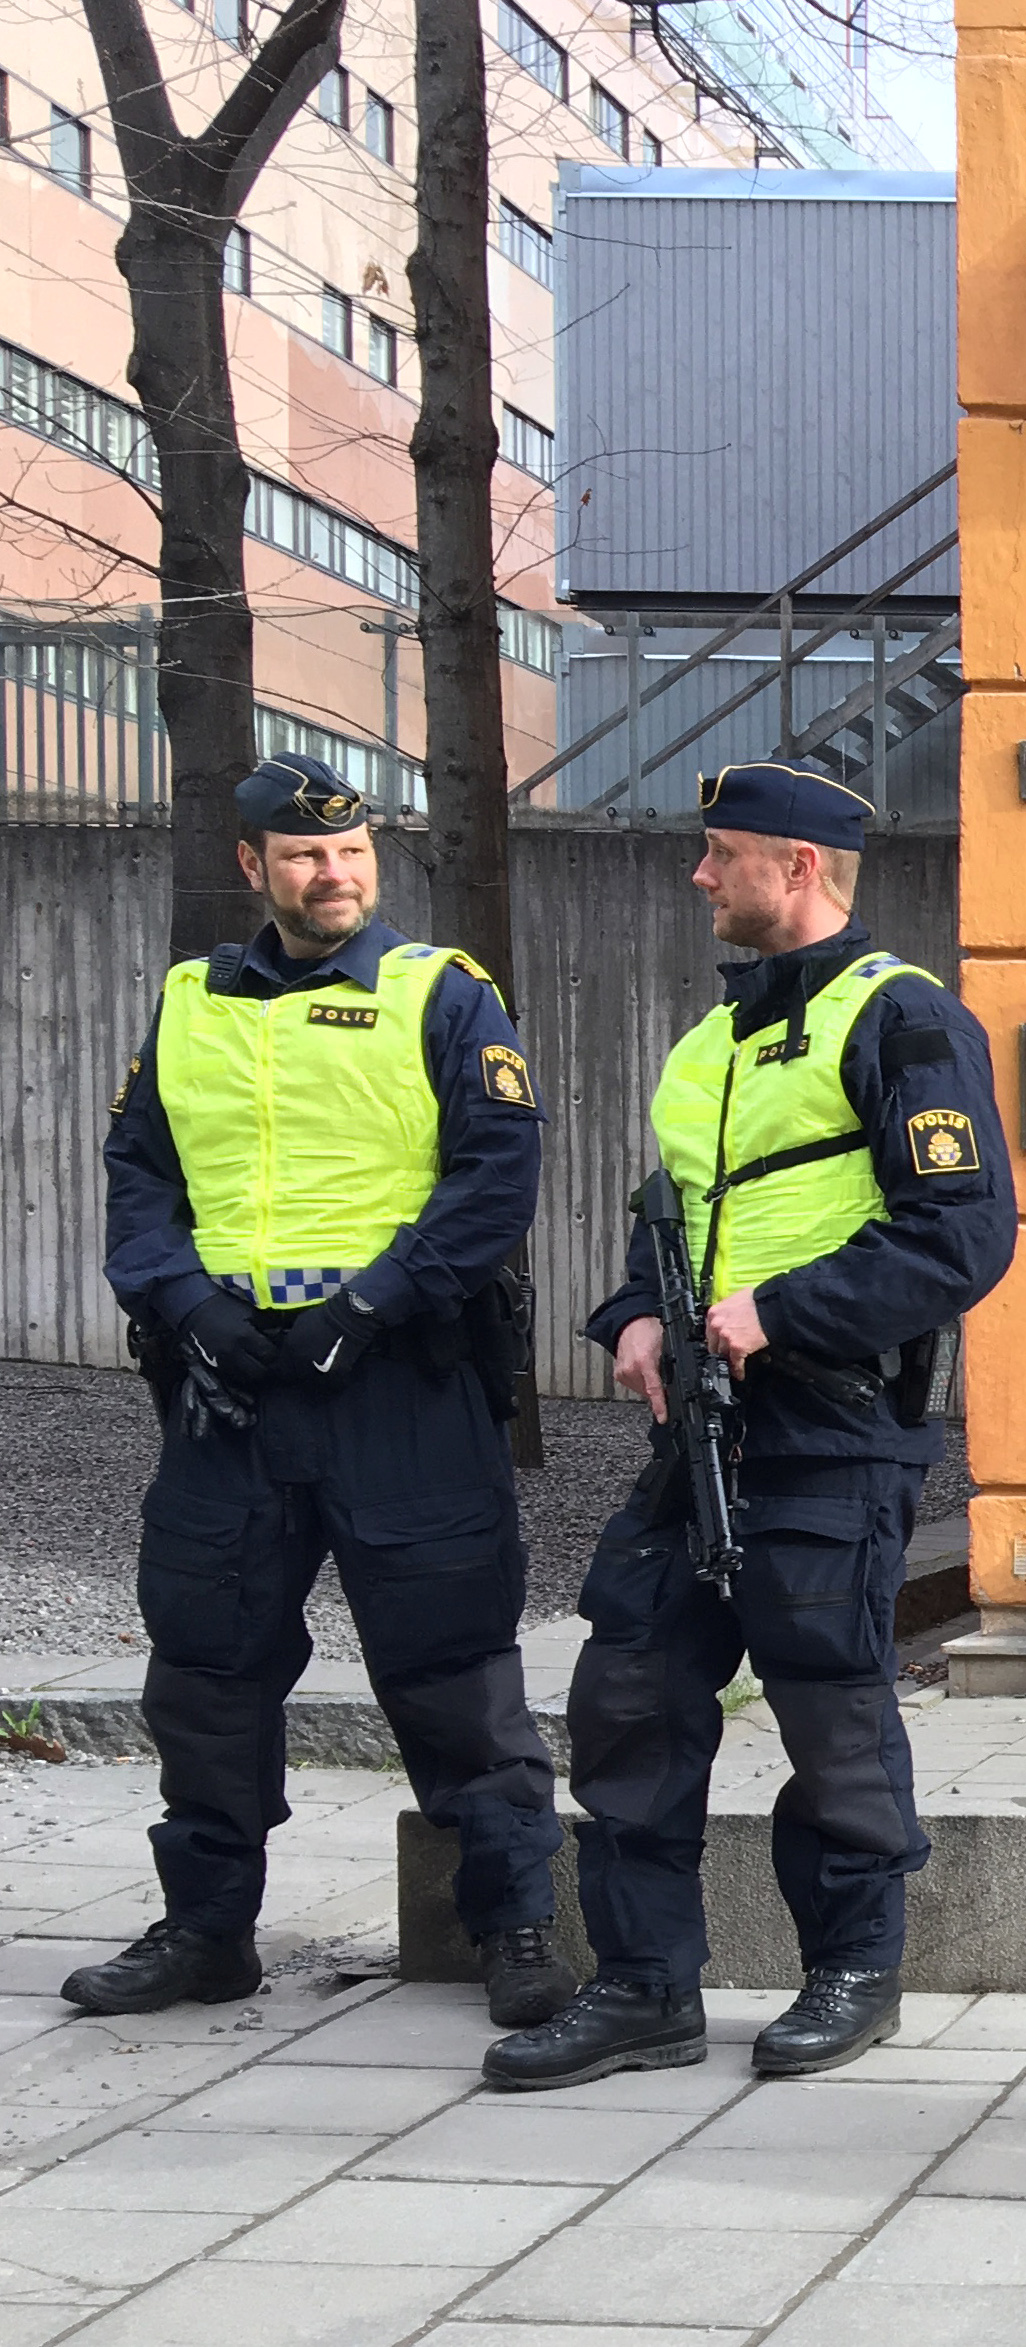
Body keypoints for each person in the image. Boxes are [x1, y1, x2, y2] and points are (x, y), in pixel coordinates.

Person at [484, 760, 1015, 2092]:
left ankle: (853, 1969)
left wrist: (780, 1309)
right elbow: (663, 1219)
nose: (699, 874)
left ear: (799, 867)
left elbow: (962, 1235)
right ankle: (646, 1986)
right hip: (699, 1440)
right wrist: (632, 1317)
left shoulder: (904, 1019)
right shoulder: (708, 1044)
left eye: (721, 852)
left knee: (830, 1706)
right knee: (627, 1697)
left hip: (830, 1428)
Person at [81, 753, 574, 2028]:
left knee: (453, 1662)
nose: (333, 871)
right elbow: (139, 1177)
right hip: (232, 1388)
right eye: (304, 856)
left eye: (350, 850)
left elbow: (493, 1178)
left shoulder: (442, 994)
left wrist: (370, 1305)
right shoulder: (190, 1000)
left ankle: (514, 1922)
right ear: (254, 867)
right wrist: (185, 1305)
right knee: (205, 1666)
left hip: (399, 1382)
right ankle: (206, 1931)